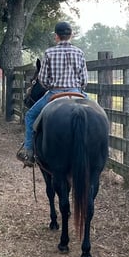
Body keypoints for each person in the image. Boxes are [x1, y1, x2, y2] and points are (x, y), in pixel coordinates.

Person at [16, 21, 88, 167]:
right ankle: (102, 150)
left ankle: (29, 152)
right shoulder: (79, 52)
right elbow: (84, 80)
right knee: (100, 113)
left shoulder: (49, 53)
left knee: (30, 116)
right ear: (71, 35)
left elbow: (41, 79)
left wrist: (51, 86)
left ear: (56, 36)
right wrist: (77, 87)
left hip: (54, 93)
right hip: (76, 92)